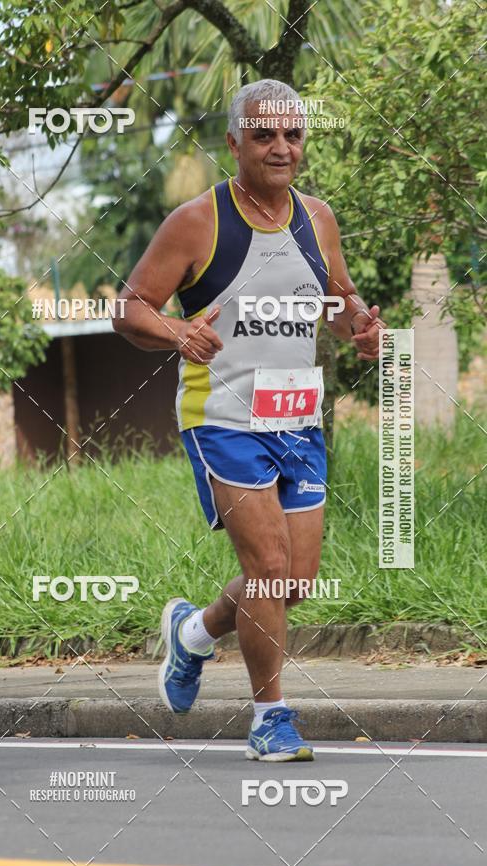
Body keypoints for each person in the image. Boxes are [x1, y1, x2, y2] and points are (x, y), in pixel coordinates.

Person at [114, 79, 383, 762]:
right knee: (266, 567)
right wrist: (176, 333)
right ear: (233, 143)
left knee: (294, 581)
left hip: (297, 417)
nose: (281, 147)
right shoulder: (198, 222)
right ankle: (270, 717)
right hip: (223, 417)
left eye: (292, 135)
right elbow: (130, 306)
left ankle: (193, 634)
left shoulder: (317, 217)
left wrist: (360, 326)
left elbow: (340, 296)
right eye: (264, 135)